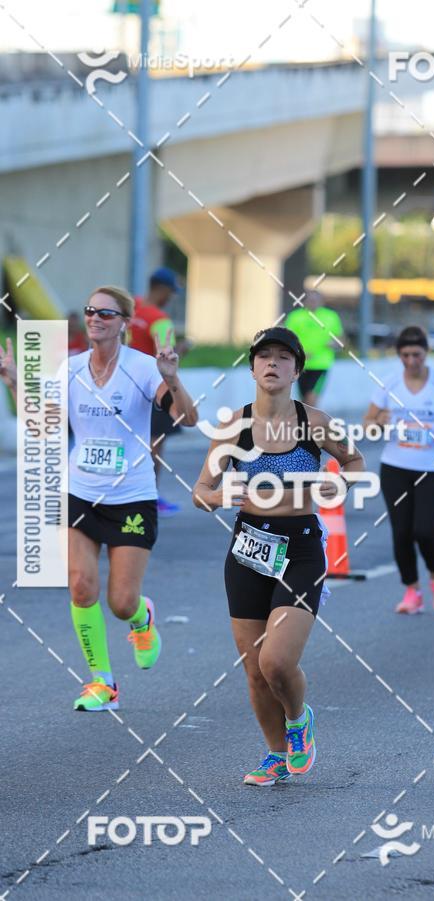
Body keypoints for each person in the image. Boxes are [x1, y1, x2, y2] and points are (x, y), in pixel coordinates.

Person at [0, 286, 198, 711]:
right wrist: (14, 379)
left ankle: (142, 618)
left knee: (121, 601)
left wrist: (172, 379)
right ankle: (102, 682)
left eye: (105, 314)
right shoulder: (70, 369)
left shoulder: (144, 368)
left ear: (124, 323)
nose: (94, 319)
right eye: (90, 311)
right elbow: (42, 422)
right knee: (80, 585)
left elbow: (187, 417)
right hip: (80, 492)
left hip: (132, 497)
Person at [193, 326, 364, 785]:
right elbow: (200, 491)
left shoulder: (316, 422)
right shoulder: (234, 425)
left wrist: (340, 484)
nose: (272, 364)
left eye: (283, 358)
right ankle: (274, 753)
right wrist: (224, 491)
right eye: (264, 356)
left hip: (301, 548)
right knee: (254, 670)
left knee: (276, 662)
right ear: (252, 367)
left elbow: (355, 463)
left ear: (296, 370)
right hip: (248, 547)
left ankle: (298, 719)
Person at [364, 325, 434, 614]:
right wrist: (378, 421)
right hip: (395, 467)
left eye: (417, 354)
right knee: (401, 533)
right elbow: (367, 424)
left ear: (426, 353)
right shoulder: (388, 384)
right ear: (398, 355)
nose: (411, 361)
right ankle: (412, 591)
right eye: (405, 355)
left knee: (424, 531)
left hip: (433, 467)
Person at [129, 267, 185, 517]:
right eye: (170, 293)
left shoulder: (129, 307)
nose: (170, 298)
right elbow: (166, 357)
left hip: (122, 383)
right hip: (152, 387)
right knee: (155, 443)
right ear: (161, 290)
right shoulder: (160, 319)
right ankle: (149, 496)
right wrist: (185, 348)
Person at [285, 290, 343, 407]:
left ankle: (310, 424)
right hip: (300, 364)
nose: (313, 303)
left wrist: (334, 343)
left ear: (322, 302)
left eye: (316, 300)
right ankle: (305, 423)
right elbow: (287, 339)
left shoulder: (331, 316)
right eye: (310, 300)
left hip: (321, 365)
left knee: (311, 398)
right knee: (303, 400)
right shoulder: (295, 317)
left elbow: (340, 340)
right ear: (305, 301)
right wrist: (300, 352)